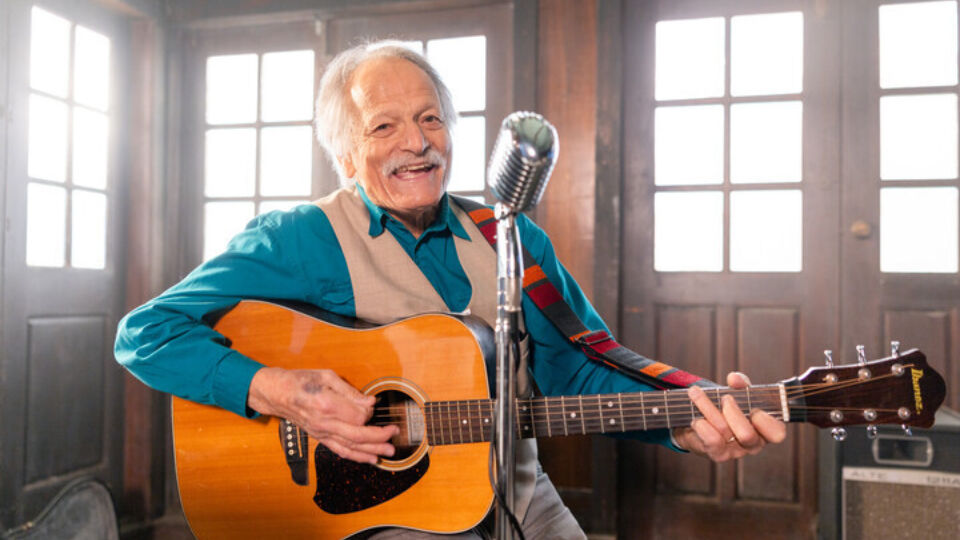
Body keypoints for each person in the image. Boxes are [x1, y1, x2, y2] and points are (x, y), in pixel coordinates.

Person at [115, 41, 786, 539]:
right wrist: (281, 392)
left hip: (519, 495)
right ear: (345, 155)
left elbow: (578, 370)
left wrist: (687, 424)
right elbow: (143, 334)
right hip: (381, 514)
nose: (418, 143)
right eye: (384, 126)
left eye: (431, 119)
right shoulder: (300, 239)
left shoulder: (510, 236)